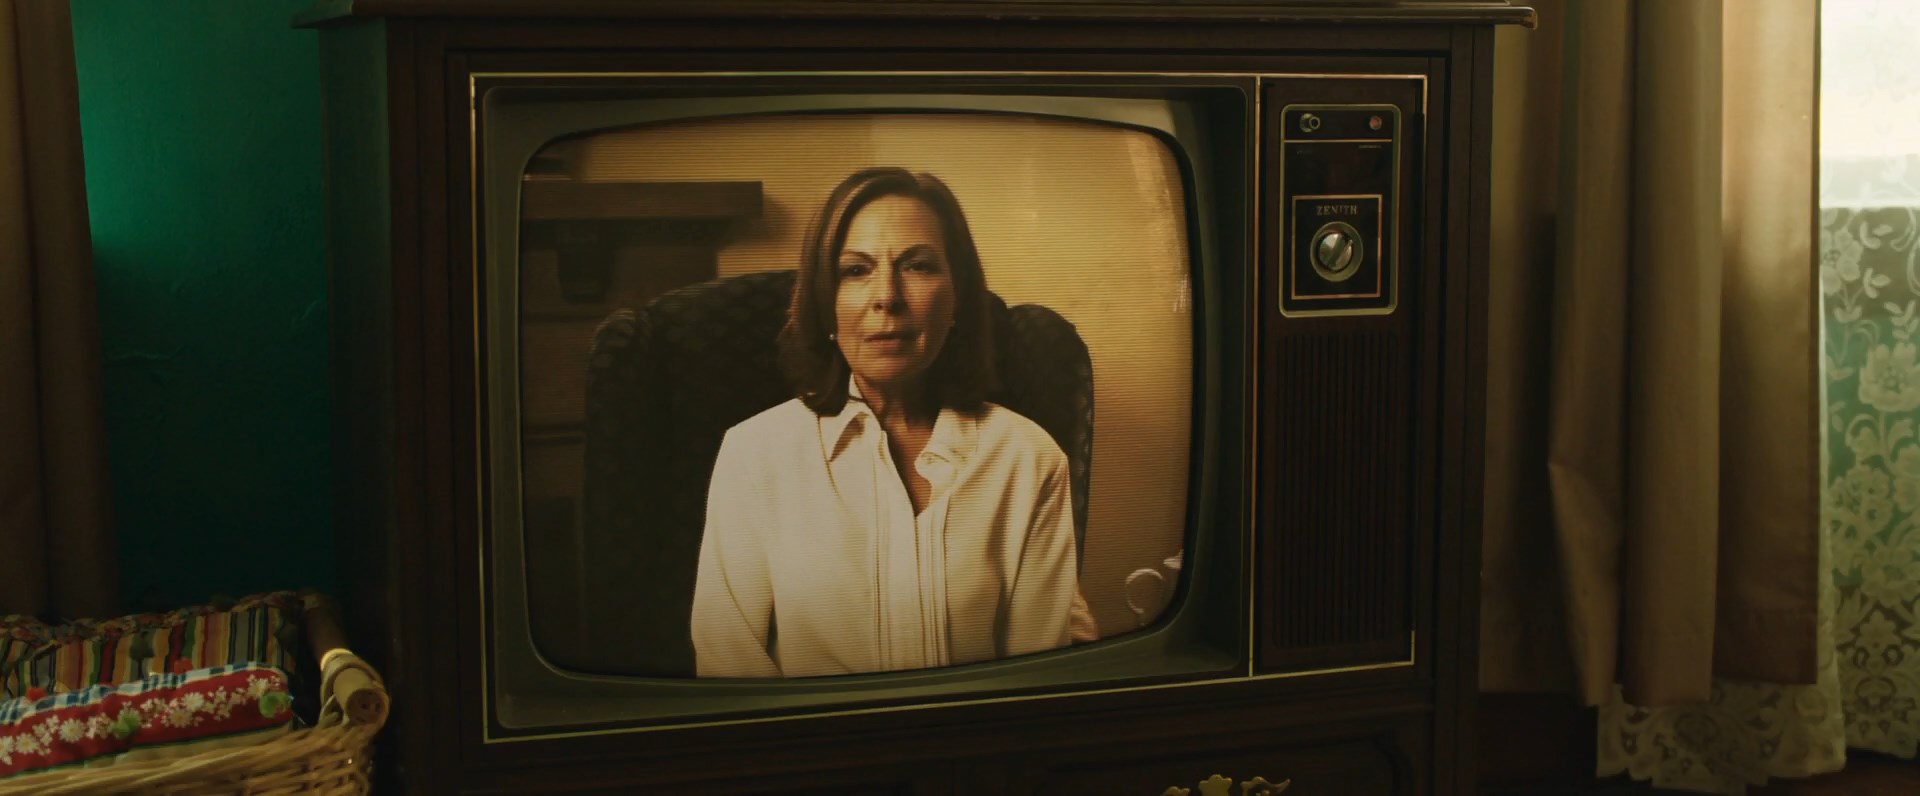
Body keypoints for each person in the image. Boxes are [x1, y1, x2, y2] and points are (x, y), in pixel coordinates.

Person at [690, 167, 1084, 678]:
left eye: (917, 265)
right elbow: (728, 662)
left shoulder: (1029, 458)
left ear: (958, 295)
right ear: (825, 303)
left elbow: (1035, 676)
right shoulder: (754, 454)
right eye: (856, 270)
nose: (887, 297)